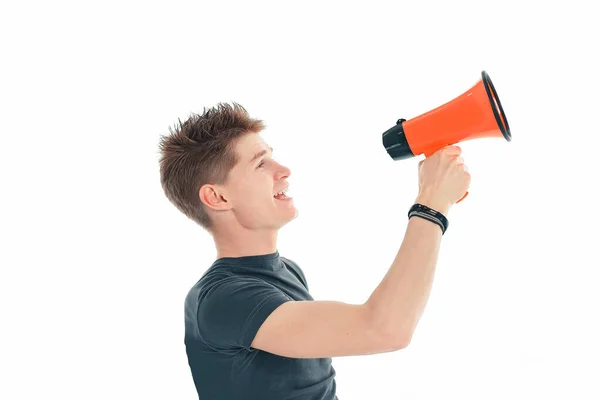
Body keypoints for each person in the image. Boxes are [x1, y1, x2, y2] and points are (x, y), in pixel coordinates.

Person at [158, 102, 471, 400]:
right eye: (260, 164)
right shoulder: (222, 300)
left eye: (272, 156)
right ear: (217, 197)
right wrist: (431, 205)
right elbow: (384, 329)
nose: (284, 170)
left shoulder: (287, 270)